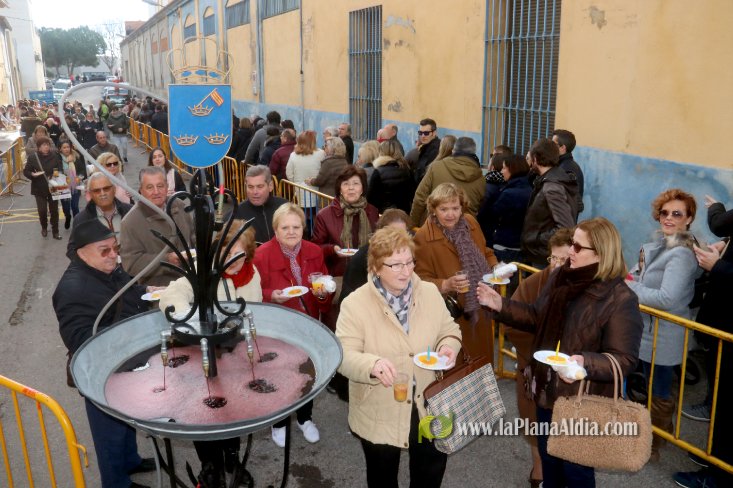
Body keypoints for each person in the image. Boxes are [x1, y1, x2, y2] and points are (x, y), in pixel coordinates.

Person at [477, 217, 644, 487]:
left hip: (582, 402)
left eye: (578, 247)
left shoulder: (620, 299)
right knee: (550, 462)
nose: (570, 251)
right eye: (571, 243)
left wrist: (584, 363)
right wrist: (501, 305)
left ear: (600, 253)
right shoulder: (561, 277)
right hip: (547, 391)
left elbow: (625, 359)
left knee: (576, 472)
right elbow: (537, 316)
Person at [336, 226, 461, 488]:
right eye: (395, 265)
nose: (406, 271)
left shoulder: (429, 292)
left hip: (429, 400)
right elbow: (343, 354)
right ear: (376, 267)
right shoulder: (355, 304)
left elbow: (449, 329)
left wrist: (448, 345)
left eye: (409, 262)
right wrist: (372, 365)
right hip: (381, 405)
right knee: (382, 476)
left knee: (430, 470)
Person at [52, 219, 155, 488]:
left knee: (126, 419)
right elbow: (79, 340)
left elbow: (127, 290)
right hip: (101, 373)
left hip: (124, 363)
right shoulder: (73, 289)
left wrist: (148, 291)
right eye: (105, 250)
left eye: (115, 248)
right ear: (82, 253)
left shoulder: (105, 269)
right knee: (109, 433)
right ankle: (116, 483)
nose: (113, 255)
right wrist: (127, 336)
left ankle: (130, 461)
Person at [625, 189, 701, 462]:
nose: (668, 218)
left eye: (677, 214)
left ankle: (653, 444)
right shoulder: (663, 245)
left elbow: (666, 298)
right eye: (664, 213)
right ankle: (656, 433)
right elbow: (640, 276)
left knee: (659, 391)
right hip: (649, 331)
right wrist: (632, 279)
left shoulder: (681, 254)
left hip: (664, 335)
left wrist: (630, 287)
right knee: (651, 386)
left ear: (689, 219)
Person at [252, 203, 331, 447]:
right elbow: (253, 292)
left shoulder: (314, 251)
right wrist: (271, 295)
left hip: (308, 323)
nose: (291, 232)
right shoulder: (261, 255)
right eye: (285, 227)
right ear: (275, 230)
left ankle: (305, 419)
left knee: (308, 372)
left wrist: (323, 293)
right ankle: (279, 422)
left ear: (303, 228)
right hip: (278, 326)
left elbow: (323, 286)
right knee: (278, 373)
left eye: (296, 227)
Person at [505, 227, 573, 488]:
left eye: (564, 259)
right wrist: (539, 353)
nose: (557, 265)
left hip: (569, 373)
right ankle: (539, 468)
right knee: (534, 425)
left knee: (566, 427)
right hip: (533, 371)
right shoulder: (533, 284)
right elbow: (512, 324)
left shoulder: (584, 288)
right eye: (554, 258)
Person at [674, 196, 733, 488]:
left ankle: (718, 476)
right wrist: (727, 245)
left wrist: (718, 267)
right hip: (723, 324)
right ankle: (716, 457)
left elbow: (720, 222)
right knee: (721, 400)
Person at [414, 183, 498, 364]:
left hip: (480, 306)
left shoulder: (471, 223)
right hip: (451, 315)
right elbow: (418, 280)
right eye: (443, 209)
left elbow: (486, 252)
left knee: (481, 364)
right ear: (433, 209)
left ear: (462, 208)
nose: (450, 214)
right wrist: (445, 284)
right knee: (457, 367)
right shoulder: (423, 236)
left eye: (455, 208)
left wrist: (495, 268)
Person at [119, 167, 196, 287]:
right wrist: (167, 260)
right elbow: (131, 264)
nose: (156, 192)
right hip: (161, 290)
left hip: (192, 282)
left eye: (160, 186)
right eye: (150, 187)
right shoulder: (130, 222)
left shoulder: (179, 205)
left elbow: (193, 238)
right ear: (141, 190)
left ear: (167, 186)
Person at [521, 138, 580, 268]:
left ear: (535, 159)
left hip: (544, 256)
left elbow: (565, 227)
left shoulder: (552, 187)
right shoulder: (551, 179)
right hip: (543, 254)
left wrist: (536, 238)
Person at [312, 166, 379, 277]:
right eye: (346, 184)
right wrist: (332, 249)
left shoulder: (372, 212)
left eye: (356, 183)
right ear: (340, 189)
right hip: (338, 275)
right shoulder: (324, 215)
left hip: (368, 274)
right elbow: (315, 248)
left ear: (362, 189)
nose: (351, 188)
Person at [410, 136, 485, 228]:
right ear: (473, 153)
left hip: (435, 226)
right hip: (465, 229)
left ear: (453, 151)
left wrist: (413, 224)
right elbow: (480, 208)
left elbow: (420, 198)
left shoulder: (436, 167)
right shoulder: (481, 178)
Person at [340, 209, 412, 302]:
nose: (398, 239)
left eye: (403, 234)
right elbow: (346, 299)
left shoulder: (409, 256)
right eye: (393, 234)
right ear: (380, 232)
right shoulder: (361, 259)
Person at [478, 154, 532, 262]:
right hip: (521, 243)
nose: (501, 171)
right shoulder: (530, 188)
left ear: (512, 169)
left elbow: (493, 215)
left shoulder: (509, 193)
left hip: (505, 243)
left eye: (504, 168)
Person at [67, 173, 133, 258]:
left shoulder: (130, 211)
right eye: (96, 191)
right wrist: (93, 262)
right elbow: (72, 251)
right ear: (90, 194)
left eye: (106, 188)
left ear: (114, 189)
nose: (102, 193)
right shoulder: (81, 219)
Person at [232, 166, 288, 244]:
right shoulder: (236, 213)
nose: (255, 192)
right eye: (250, 187)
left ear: (270, 186)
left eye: (260, 186)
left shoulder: (285, 207)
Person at [23, 136, 63, 239]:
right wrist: (32, 174)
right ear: (39, 147)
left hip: (53, 186)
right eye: (44, 145)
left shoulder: (55, 155)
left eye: (48, 145)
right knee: (42, 210)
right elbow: (26, 171)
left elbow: (60, 168)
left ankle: (55, 231)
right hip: (39, 187)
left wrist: (55, 174)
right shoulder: (33, 157)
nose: (46, 147)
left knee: (54, 211)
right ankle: (44, 227)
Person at [285, 130, 325, 235]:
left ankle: (304, 234)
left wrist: (297, 182)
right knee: (317, 215)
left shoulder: (293, 155)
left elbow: (289, 173)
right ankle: (315, 234)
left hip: (300, 190)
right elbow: (323, 171)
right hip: (316, 189)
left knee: (302, 214)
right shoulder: (321, 153)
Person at [366, 139, 415, 213]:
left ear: (381, 152)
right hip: (404, 213)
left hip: (384, 213)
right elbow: (412, 194)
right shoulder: (407, 170)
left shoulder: (379, 171)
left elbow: (371, 198)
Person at [552, 129, 584, 214]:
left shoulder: (566, 169)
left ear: (562, 148)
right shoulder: (564, 165)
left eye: (553, 144)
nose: (550, 147)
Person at [58, 140, 87, 230]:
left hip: (75, 185)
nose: (66, 149)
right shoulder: (57, 159)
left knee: (75, 206)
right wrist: (60, 175)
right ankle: (68, 216)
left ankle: (77, 225)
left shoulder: (76, 157)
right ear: (60, 149)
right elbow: (55, 171)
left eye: (68, 147)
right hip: (63, 186)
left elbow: (82, 170)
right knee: (66, 207)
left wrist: (79, 177)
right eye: (64, 147)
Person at [406, 117, 441, 184]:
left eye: (426, 133)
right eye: (420, 133)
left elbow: (424, 175)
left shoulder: (435, 150)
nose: (423, 136)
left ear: (434, 133)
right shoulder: (425, 147)